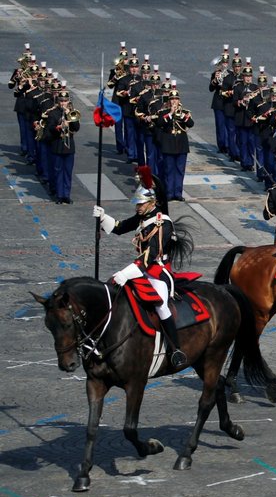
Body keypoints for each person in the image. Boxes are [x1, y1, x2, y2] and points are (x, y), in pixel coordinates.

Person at [92, 183, 190, 367]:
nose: (137, 207)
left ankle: (175, 349)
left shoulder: (162, 223)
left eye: (140, 204)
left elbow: (148, 259)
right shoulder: (143, 216)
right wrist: (103, 217)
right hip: (142, 269)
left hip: (158, 271)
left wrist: (123, 273)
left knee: (161, 306)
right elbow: (120, 227)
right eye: (137, 204)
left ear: (152, 202)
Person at [156, 88, 193, 204]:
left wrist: (182, 116)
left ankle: (178, 193)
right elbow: (160, 123)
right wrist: (171, 114)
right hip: (169, 145)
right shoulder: (163, 113)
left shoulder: (184, 112)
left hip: (181, 145)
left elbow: (191, 124)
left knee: (180, 170)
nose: (173, 102)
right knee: (169, 170)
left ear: (179, 101)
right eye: (172, 99)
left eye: (176, 99)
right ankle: (169, 193)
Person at [45, 89, 80, 205]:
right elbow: (50, 128)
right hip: (58, 146)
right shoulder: (53, 113)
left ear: (68, 101)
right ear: (58, 101)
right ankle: (59, 195)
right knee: (58, 171)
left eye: (65, 101)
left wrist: (69, 116)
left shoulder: (72, 112)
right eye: (61, 101)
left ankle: (66, 195)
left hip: (69, 147)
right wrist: (60, 126)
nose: (63, 103)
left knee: (68, 172)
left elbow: (76, 128)